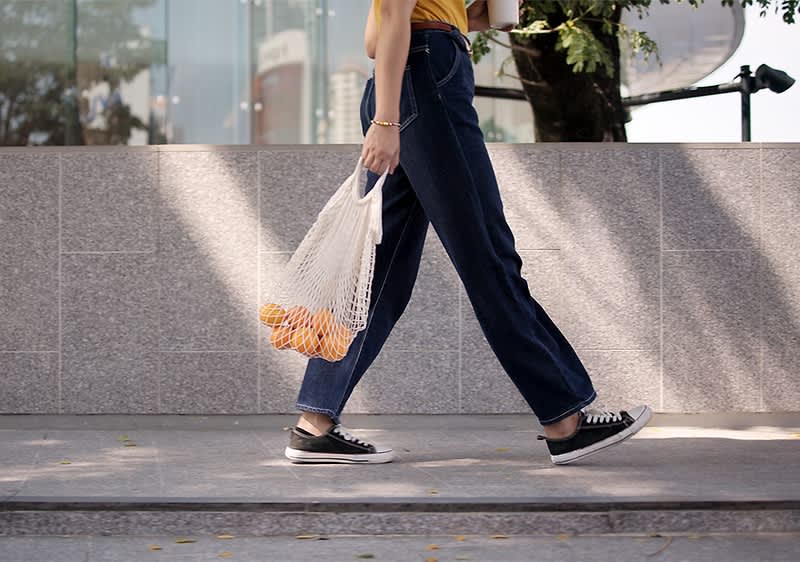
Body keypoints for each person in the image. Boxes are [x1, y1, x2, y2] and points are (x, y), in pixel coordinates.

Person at [284, 0, 652, 466]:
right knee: (488, 258)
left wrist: (473, 18)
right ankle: (565, 420)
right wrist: (386, 121)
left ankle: (314, 425)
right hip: (424, 81)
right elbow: (393, 17)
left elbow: (380, 35)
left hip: (411, 80)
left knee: (380, 274)